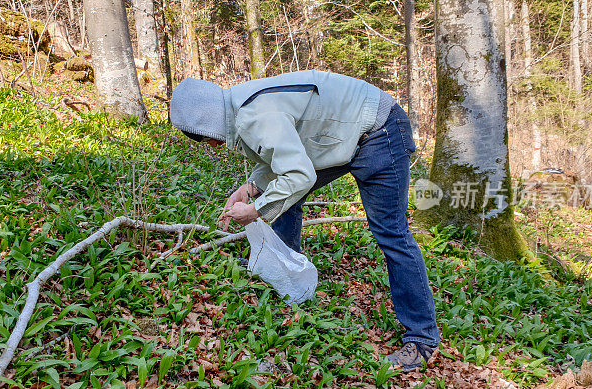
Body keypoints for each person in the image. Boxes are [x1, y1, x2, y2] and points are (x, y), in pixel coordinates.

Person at [168, 70, 440, 370]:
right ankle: (283, 269)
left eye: (206, 140)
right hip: (339, 138)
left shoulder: (253, 116)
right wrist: (251, 188)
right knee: (290, 193)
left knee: (392, 233)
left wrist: (256, 209)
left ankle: (422, 339)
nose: (211, 146)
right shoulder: (238, 107)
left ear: (209, 125)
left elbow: (299, 174)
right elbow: (285, 155)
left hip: (378, 131)